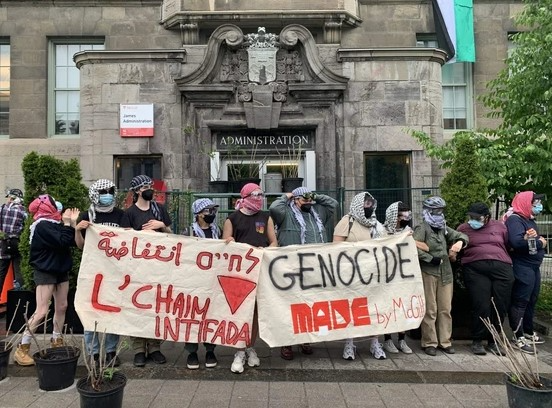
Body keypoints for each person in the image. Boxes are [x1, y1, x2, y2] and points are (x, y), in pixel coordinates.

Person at [270, 186, 338, 360]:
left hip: (314, 268)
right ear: (295, 201)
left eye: (310, 200)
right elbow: (274, 207)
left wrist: (316, 196)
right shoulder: (286, 215)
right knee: (290, 305)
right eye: (304, 199)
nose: (308, 202)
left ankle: (305, 339)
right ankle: (287, 343)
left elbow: (333, 204)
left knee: (309, 304)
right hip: (292, 268)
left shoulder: (317, 215)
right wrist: (289, 195)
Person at [13, 195, 78, 366]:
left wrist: (71, 224)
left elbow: (71, 241)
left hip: (61, 270)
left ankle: (57, 340)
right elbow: (62, 241)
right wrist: (67, 224)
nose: (58, 206)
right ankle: (22, 348)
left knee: (62, 306)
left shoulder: (55, 224)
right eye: (54, 203)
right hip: (46, 270)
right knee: (41, 311)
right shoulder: (42, 225)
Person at [223, 183, 277, 374]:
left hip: (259, 270)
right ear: (244, 197)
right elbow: (226, 243)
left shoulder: (265, 217)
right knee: (240, 311)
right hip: (239, 273)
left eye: (261, 195)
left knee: (254, 312)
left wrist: (266, 250)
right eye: (255, 195)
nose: (259, 198)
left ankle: (250, 346)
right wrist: (230, 243)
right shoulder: (232, 218)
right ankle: (239, 350)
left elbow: (274, 242)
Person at [120, 175, 172, 367]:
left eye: (150, 185)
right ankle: (139, 349)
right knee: (137, 307)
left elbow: (172, 237)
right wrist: (143, 234)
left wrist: (162, 226)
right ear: (136, 191)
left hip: (158, 267)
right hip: (137, 268)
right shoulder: (129, 213)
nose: (150, 189)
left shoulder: (160, 210)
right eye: (145, 187)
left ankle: (155, 347)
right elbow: (125, 240)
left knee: (156, 306)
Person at [75, 179, 125, 367]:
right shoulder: (86, 216)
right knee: (90, 313)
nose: (108, 195)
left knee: (113, 312)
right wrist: (77, 231)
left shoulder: (121, 215)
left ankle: (111, 352)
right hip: (93, 272)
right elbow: (80, 246)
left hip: (114, 273)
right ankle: (94, 354)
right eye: (103, 191)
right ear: (95, 194)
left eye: (110, 190)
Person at [333, 192, 388, 361]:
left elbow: (387, 244)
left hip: (373, 275)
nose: (368, 207)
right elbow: (335, 247)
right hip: (352, 275)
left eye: (370, 203)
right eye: (365, 204)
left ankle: (375, 343)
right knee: (352, 308)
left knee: (374, 307)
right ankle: (349, 343)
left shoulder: (376, 224)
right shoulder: (347, 222)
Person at [413, 196, 468, 357]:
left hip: (446, 273)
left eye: (441, 210)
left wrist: (459, 243)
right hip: (429, 272)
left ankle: (445, 341)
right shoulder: (422, 228)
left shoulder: (443, 227)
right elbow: (413, 246)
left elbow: (462, 236)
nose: (439, 213)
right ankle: (429, 342)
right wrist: (430, 258)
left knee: (445, 309)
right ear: (428, 211)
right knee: (430, 309)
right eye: (436, 210)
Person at [457, 202, 514, 356]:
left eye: (478, 218)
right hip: (475, 269)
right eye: (471, 217)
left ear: (487, 217)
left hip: (501, 268)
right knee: (481, 304)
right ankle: (477, 340)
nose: (473, 220)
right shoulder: (463, 229)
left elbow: (507, 245)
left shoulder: (500, 227)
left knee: (500, 305)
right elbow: (459, 248)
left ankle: (494, 341)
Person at [504, 191, 547, 354]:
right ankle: (518, 336)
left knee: (531, 300)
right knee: (521, 301)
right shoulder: (515, 220)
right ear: (525, 203)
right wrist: (540, 242)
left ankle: (528, 331)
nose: (538, 206)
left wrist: (536, 241)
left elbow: (530, 240)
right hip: (522, 266)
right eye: (535, 203)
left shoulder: (528, 219)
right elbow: (516, 242)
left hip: (533, 266)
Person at [184, 197, 221, 370]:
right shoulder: (188, 232)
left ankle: (210, 350)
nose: (212, 213)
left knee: (211, 315)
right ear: (198, 214)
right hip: (193, 281)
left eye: (213, 210)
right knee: (192, 316)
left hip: (212, 281)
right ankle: (191, 351)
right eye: (208, 210)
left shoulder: (217, 230)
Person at [381, 201, 419, 355]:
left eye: (407, 215)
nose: (405, 218)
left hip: (404, 275)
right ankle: (388, 339)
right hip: (388, 275)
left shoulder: (408, 231)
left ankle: (402, 339)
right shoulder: (382, 231)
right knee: (388, 307)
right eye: (402, 215)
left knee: (403, 306)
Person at [0, 189, 26, 293]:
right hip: (17, 244)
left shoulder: (2, 208)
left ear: (12, 198)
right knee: (19, 273)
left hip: (3, 245)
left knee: (1, 273)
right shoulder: (23, 211)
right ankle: (20, 298)